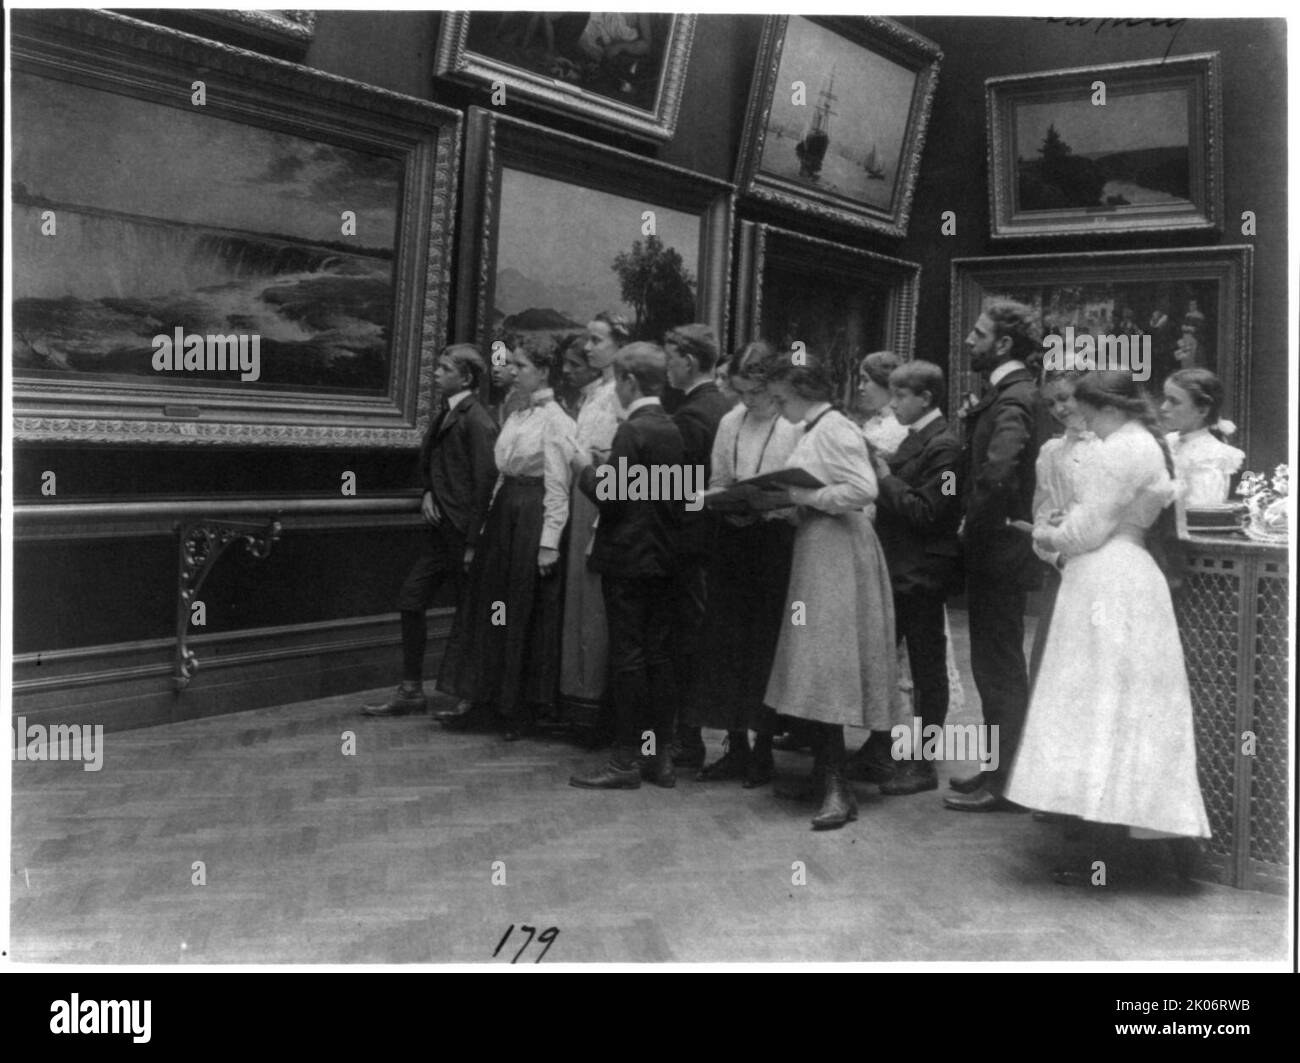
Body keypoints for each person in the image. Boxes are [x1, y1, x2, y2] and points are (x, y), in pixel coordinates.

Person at [1005, 371, 1210, 885]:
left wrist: (1047, 531)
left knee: (1098, 711)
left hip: (1107, 579)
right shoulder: (1146, 444)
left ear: (1110, 408)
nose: (1086, 421)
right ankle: (1144, 850)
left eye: (1091, 411)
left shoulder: (1118, 449)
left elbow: (1082, 532)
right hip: (1127, 575)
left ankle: (1106, 854)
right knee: (1127, 712)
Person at [762, 351, 897, 830]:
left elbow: (864, 490)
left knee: (827, 664)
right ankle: (826, 775)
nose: (779, 409)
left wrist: (800, 497)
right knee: (816, 663)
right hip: (820, 546)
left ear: (802, 394)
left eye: (781, 400)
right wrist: (782, 505)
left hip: (838, 551)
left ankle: (839, 787)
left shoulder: (834, 427)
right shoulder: (814, 429)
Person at [436, 335, 576, 740]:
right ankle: (482, 700)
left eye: (522, 366)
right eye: (511, 364)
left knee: (520, 608)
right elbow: (500, 474)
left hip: (531, 515)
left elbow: (557, 487)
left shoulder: (555, 420)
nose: (513, 371)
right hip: (504, 515)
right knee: (491, 605)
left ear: (544, 372)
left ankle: (515, 710)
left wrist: (549, 543)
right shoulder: (517, 414)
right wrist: (482, 531)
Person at [945, 300, 1049, 813]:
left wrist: (971, 524)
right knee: (994, 663)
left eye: (978, 332)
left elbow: (999, 469)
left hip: (999, 549)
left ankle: (1007, 780)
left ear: (1004, 345)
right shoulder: (1011, 393)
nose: (969, 340)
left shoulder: (1013, 398)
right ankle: (998, 769)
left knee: (998, 665)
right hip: (1001, 548)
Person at [569, 343, 686, 790]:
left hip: (628, 562)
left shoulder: (632, 431)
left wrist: (584, 469)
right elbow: (669, 496)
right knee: (659, 658)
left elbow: (614, 498)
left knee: (628, 659)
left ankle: (622, 763)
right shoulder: (673, 430)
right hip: (664, 561)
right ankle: (657, 759)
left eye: (617, 380)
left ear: (629, 381)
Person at [361, 345, 498, 719]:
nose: (436, 373)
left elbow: (486, 483)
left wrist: (472, 543)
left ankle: (474, 698)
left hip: (463, 534)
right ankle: (411, 690)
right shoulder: (448, 414)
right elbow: (433, 462)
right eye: (437, 366)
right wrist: (426, 492)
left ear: (466, 377)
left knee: (473, 615)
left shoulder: (477, 420)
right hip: (442, 533)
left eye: (444, 368)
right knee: (411, 599)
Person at [691, 342, 802, 787]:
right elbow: (718, 479)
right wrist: (722, 500)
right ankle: (733, 745)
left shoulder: (793, 426)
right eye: (741, 393)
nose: (747, 402)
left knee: (765, 646)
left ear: (773, 388)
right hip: (731, 542)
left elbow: (799, 489)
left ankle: (762, 750)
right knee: (725, 644)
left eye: (755, 393)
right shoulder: (729, 422)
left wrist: (769, 503)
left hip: (774, 545)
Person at [868, 360, 963, 796]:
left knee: (926, 668)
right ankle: (880, 747)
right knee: (887, 661)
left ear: (925, 398)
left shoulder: (945, 446)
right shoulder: (918, 440)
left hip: (922, 572)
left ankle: (923, 763)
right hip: (900, 568)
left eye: (901, 395)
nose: (894, 403)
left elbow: (930, 512)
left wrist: (885, 478)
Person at [662, 324, 732, 769]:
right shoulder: (723, 405)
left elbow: (679, 487)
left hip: (688, 543)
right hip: (715, 541)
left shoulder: (692, 414)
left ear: (688, 360)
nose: (666, 365)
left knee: (683, 640)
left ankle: (686, 738)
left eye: (670, 356)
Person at [557, 314, 629, 729]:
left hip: (606, 498)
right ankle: (578, 700)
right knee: (581, 600)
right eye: (589, 339)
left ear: (621, 343)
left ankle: (599, 706)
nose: (588, 347)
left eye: (598, 339)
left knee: (599, 600)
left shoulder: (620, 392)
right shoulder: (597, 392)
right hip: (584, 495)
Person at [1026, 370, 1098, 687]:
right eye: (1051, 403)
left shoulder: (1117, 444)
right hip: (1065, 571)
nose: (1059, 409)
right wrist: (1057, 558)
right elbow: (1041, 517)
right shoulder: (1051, 453)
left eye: (1065, 398)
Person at [1160, 368, 1244, 507]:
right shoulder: (1169, 440)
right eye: (1166, 399)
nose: (1163, 407)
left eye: (1174, 401)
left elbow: (1201, 510)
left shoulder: (1210, 455)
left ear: (1202, 410)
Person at [858, 350, 910, 458]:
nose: (860, 387)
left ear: (884, 383)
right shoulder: (874, 422)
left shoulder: (896, 428)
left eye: (865, 380)